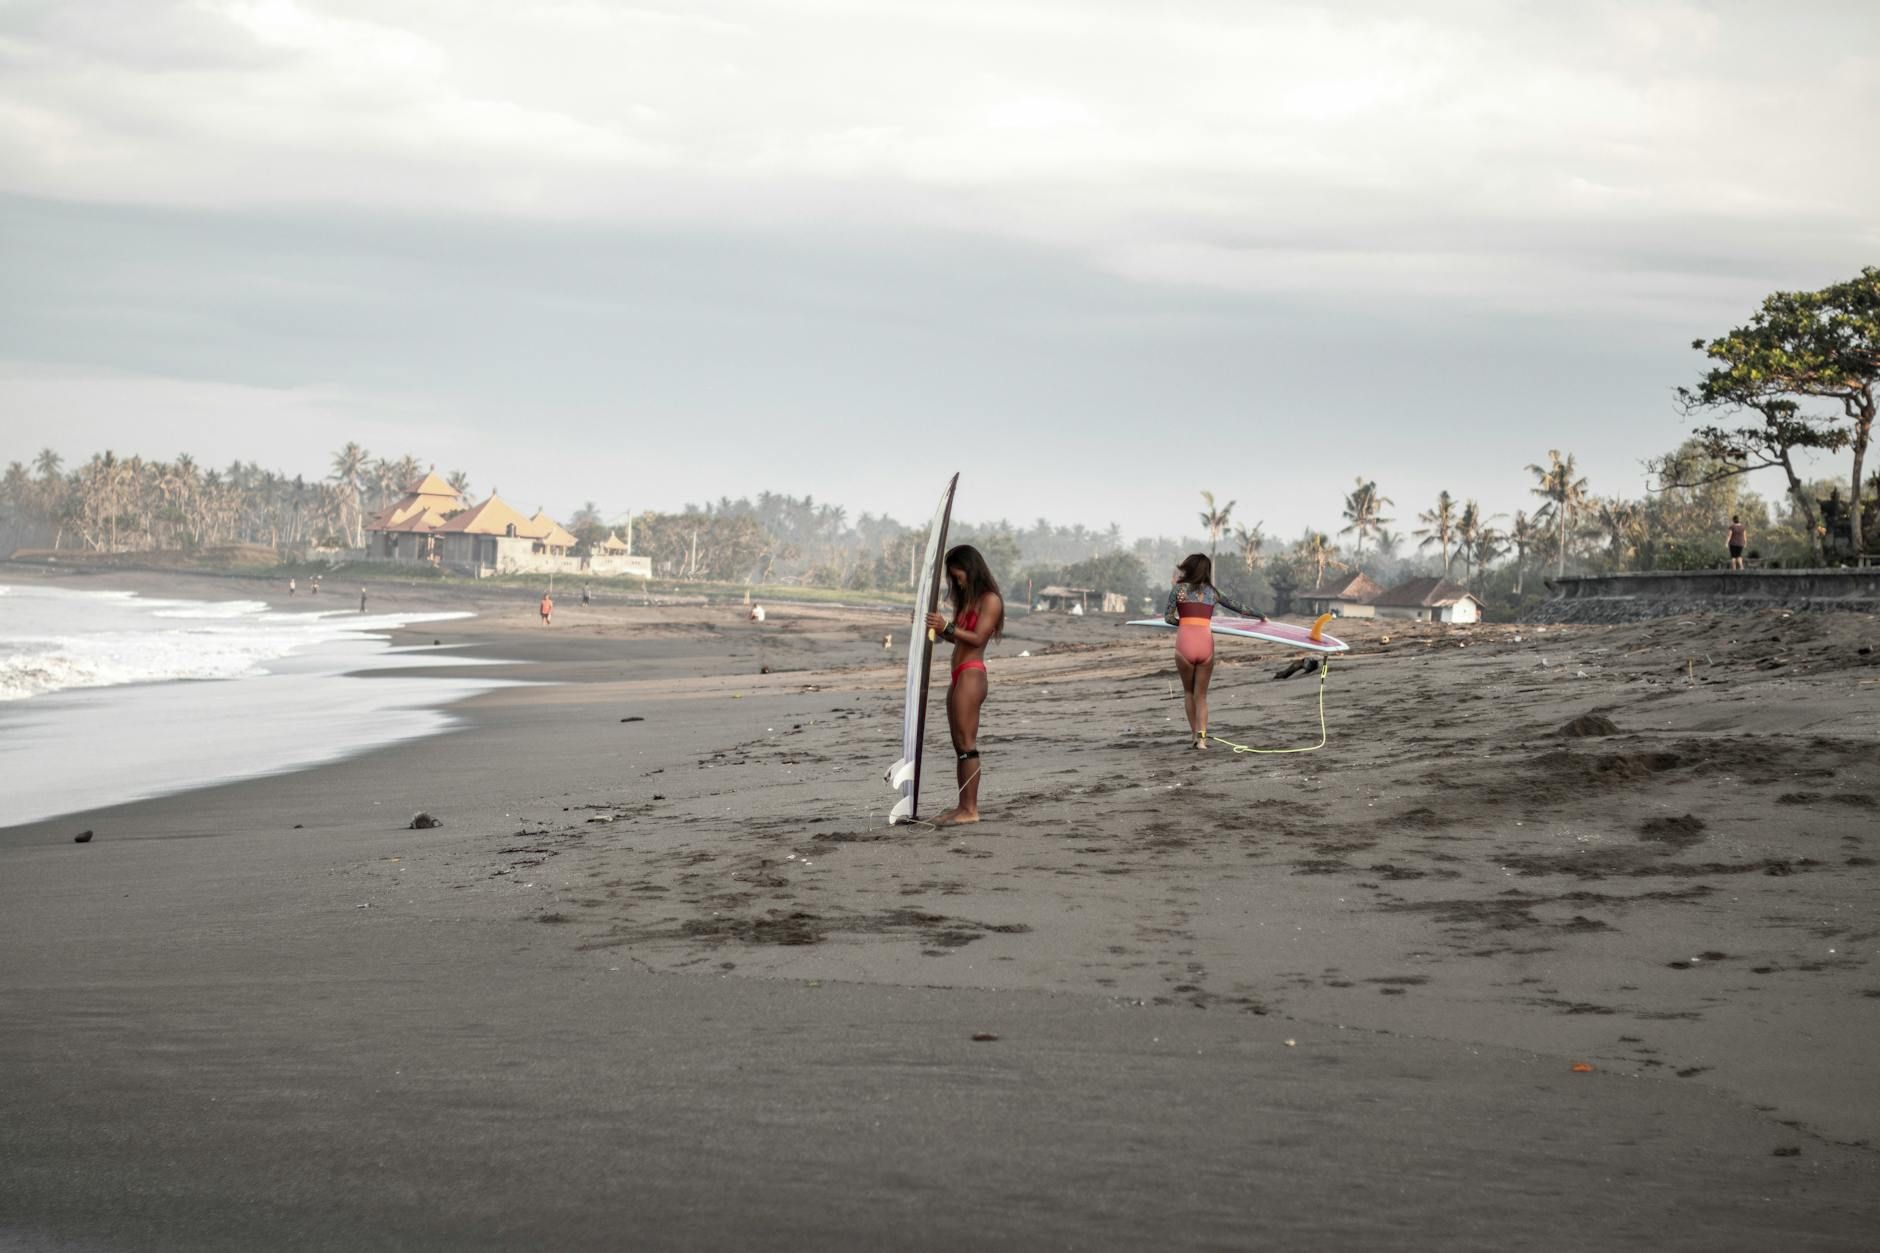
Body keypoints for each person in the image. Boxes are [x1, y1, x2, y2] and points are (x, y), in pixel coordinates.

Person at [923, 544, 1004, 826]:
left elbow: (978, 638)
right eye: (953, 577)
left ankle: (970, 810)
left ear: (971, 568)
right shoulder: (967, 601)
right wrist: (936, 628)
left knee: (967, 745)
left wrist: (946, 626)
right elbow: (958, 637)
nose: (957, 581)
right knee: (959, 745)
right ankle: (962, 806)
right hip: (958, 674)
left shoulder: (990, 600)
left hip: (972, 675)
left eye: (959, 575)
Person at [1164, 553, 1265, 749]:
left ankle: (1194, 735)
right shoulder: (1213, 592)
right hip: (1205, 645)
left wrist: (1183, 624)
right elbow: (1240, 608)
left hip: (1185, 644)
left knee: (1188, 692)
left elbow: (1168, 618)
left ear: (1189, 569)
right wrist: (1261, 616)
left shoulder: (1178, 590)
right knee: (1201, 696)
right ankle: (1202, 739)